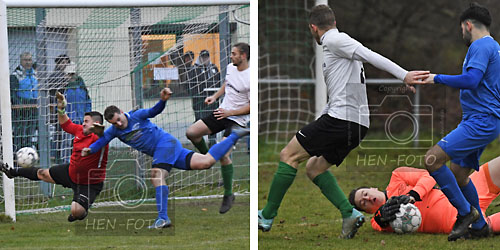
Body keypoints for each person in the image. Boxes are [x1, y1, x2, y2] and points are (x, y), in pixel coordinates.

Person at [257, 5, 428, 239]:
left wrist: (403, 74)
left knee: (288, 155)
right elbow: (339, 93)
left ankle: (266, 215)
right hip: (354, 124)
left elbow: (370, 54)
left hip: (342, 120)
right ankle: (349, 214)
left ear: (313, 28)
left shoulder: (336, 40)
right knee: (314, 168)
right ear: (335, 21)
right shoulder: (337, 45)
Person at [81, 87, 249, 229]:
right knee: (206, 162)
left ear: (122, 113)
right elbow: (102, 140)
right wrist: (90, 149)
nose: (118, 124)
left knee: (156, 176)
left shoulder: (137, 115)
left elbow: (154, 111)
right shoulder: (114, 131)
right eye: (114, 123)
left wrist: (163, 100)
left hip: (165, 144)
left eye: (119, 119)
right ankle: (234, 136)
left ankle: (163, 218)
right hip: (169, 149)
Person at [406, 3, 500, 241]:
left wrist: (435, 78)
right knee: (458, 173)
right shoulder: (494, 47)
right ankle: (479, 227)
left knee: (432, 159)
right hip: (482, 120)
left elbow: (471, 80)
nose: (462, 33)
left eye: (462, 28)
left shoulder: (480, 45)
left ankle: (465, 213)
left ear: (468, 25)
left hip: (481, 121)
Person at [0, 92, 108, 222]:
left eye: (86, 121)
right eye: (84, 121)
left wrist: (100, 131)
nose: (83, 123)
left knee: (76, 211)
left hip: (89, 183)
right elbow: (66, 124)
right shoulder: (80, 130)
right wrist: (61, 108)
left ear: (95, 124)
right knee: (42, 173)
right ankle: (12, 172)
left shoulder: (101, 139)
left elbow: (102, 136)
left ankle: (80, 212)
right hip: (71, 172)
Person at [349, 155, 500, 237]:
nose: (367, 199)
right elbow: (379, 224)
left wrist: (413, 194)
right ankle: (483, 225)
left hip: (463, 193)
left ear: (372, 188)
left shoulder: (397, 176)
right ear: (368, 211)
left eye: (365, 194)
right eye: (364, 204)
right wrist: (381, 217)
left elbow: (430, 176)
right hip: (459, 220)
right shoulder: (381, 221)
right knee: (484, 228)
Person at [186, 43, 250, 214]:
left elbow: (251, 106)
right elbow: (226, 84)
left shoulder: (251, 77)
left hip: (236, 120)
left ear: (243, 56)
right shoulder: (230, 67)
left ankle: (229, 194)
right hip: (222, 112)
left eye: (234, 53)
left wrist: (231, 112)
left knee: (223, 155)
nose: (231, 56)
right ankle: (207, 158)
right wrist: (214, 97)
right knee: (192, 132)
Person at [190, 49, 221, 147]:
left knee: (213, 122)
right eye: (203, 57)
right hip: (200, 102)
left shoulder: (214, 68)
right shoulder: (194, 69)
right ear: (200, 58)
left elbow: (218, 80)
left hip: (212, 102)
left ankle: (212, 142)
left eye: (207, 57)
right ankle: (200, 144)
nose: (205, 59)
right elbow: (191, 85)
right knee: (200, 122)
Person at [10, 52, 39, 152]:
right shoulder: (15, 75)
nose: (28, 62)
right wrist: (20, 106)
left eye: (30, 60)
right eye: (25, 60)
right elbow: (13, 94)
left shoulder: (35, 75)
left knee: (30, 133)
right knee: (20, 134)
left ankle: (28, 154)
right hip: (21, 109)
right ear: (21, 61)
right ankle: (18, 155)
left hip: (34, 107)